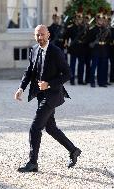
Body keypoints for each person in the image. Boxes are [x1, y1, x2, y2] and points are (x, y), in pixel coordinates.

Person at [14, 25, 81, 173]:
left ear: (48, 35)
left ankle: (32, 163)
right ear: (34, 36)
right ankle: (73, 150)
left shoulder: (56, 52)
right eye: (37, 35)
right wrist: (21, 88)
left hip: (53, 94)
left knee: (35, 127)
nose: (40, 38)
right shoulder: (34, 49)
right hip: (40, 94)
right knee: (50, 128)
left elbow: (68, 74)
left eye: (42, 35)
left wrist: (49, 85)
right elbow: (30, 71)